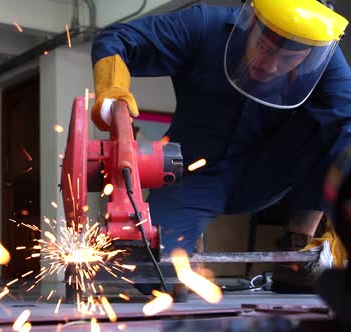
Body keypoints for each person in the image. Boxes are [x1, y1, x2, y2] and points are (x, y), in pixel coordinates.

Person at [91, 0, 350, 292]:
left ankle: (298, 251)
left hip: (271, 174)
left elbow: (348, 126)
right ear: (250, 20)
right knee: (151, 273)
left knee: (334, 128)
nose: (271, 64)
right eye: (264, 46)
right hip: (193, 174)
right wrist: (113, 94)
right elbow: (116, 39)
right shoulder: (204, 25)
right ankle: (190, 248)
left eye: (291, 58)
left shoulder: (327, 57)